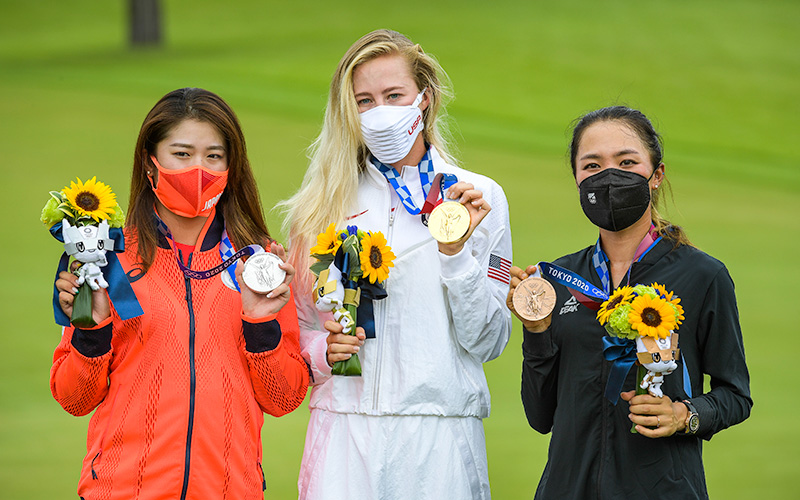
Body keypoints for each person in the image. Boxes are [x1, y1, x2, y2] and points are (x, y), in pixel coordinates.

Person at [281, 29, 512, 499]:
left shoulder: (479, 197)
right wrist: (324, 352)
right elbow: (299, 324)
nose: (379, 112)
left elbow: (488, 340)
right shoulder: (320, 203)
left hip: (441, 430)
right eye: (363, 101)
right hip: (344, 432)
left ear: (424, 98)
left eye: (393, 95)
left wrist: (456, 254)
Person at [50, 87, 309, 500]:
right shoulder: (108, 258)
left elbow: (284, 397)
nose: (199, 169)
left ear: (231, 166)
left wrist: (260, 324)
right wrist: (91, 330)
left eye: (214, 156)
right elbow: (74, 398)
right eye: (182, 154)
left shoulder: (258, 263)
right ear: (150, 163)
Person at [508, 105, 752, 499]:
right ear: (576, 180)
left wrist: (684, 416)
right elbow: (540, 417)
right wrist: (536, 331)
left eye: (626, 161)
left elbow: (735, 395)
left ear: (656, 175)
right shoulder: (556, 280)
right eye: (591, 165)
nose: (608, 177)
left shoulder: (703, 275)